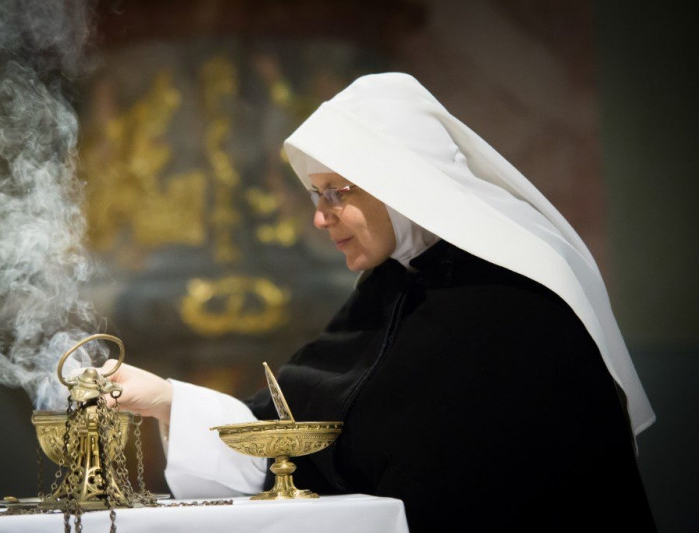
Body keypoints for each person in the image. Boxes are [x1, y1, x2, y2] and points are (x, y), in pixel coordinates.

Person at [102, 73, 656, 531]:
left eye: (336, 193)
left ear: (401, 182)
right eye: (315, 194)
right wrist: (167, 400)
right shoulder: (391, 287)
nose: (320, 218)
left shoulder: (515, 304)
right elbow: (294, 430)